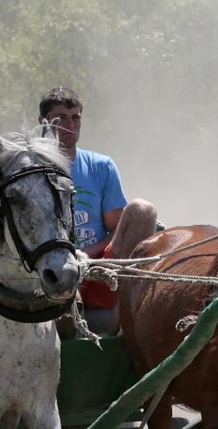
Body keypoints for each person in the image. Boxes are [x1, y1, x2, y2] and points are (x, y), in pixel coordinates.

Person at [37, 86, 157, 333]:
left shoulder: (100, 166)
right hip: (53, 272)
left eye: (76, 117)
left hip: (100, 269)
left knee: (143, 210)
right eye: (61, 118)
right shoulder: (32, 171)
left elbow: (115, 229)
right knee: (63, 295)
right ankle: (72, 315)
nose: (70, 125)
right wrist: (69, 260)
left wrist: (87, 254)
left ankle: (123, 313)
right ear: (44, 122)